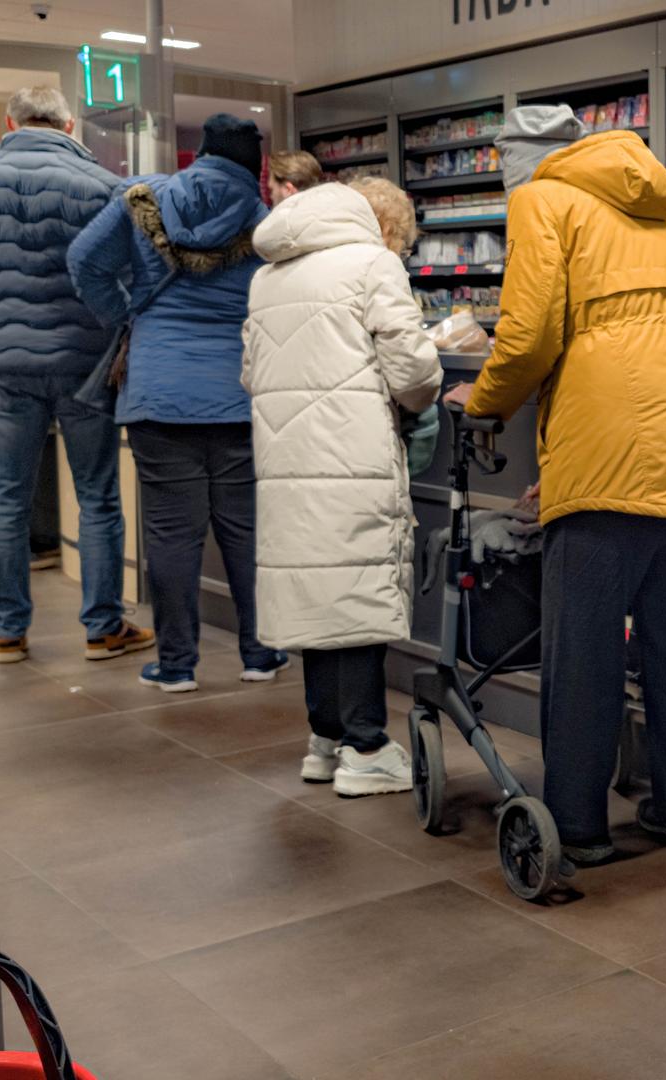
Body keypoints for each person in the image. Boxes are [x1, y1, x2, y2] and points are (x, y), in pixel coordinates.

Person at [446, 106, 666, 862]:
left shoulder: (543, 200)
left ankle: (577, 827)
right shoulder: (657, 210)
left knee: (585, 650)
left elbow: (530, 332)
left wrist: (482, 402)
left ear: (524, 157)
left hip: (610, 438)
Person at [0, 85, 152, 665]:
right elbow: (127, 279)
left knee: (5, 500)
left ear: (10, 121)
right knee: (98, 496)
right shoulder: (105, 186)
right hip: (87, 364)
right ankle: (103, 627)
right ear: (70, 125)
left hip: (4, 366)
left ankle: (7, 631)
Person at [68, 114, 286, 694]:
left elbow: (84, 263)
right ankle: (260, 653)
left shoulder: (144, 198)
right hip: (239, 395)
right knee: (244, 528)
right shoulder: (265, 223)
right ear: (254, 168)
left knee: (170, 534)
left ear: (201, 155)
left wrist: (130, 317)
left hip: (157, 391)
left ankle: (177, 665)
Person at [241, 177, 440, 795]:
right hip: (352, 452)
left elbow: (251, 372)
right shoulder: (371, 264)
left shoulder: (268, 275)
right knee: (355, 591)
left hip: (286, 458)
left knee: (316, 593)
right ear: (385, 228)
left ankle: (324, 740)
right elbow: (411, 369)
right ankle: (366, 746)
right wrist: (425, 390)